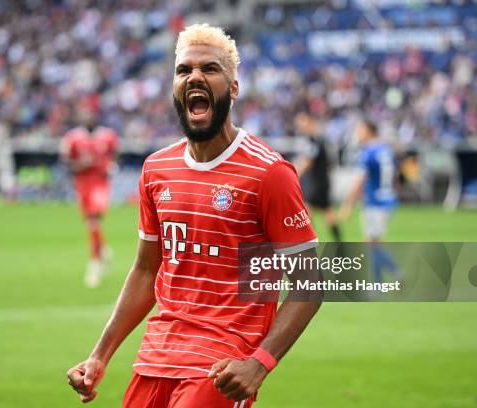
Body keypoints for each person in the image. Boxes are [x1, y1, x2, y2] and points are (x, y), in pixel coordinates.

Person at [67, 24, 321, 407]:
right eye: (184, 70)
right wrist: (100, 355)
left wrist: (259, 363)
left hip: (219, 369)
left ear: (233, 89)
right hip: (154, 360)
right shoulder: (156, 169)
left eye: (210, 69)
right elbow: (145, 270)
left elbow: (310, 281)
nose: (195, 76)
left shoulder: (269, 173)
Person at [60, 108, 118, 288]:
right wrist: (78, 165)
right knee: (92, 224)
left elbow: (114, 156)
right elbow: (65, 161)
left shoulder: (108, 136)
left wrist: (111, 166)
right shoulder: (72, 138)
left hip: (100, 184)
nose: (88, 118)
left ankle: (94, 265)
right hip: (82, 184)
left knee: (93, 220)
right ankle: (103, 251)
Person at [340, 119, 399, 283]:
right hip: (388, 200)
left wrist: (347, 205)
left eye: (360, 129)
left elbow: (360, 180)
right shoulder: (385, 149)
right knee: (374, 244)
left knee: (373, 245)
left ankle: (384, 280)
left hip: (375, 203)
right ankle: (386, 278)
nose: (358, 133)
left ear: (369, 131)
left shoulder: (368, 152)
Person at [294, 111, 342, 241]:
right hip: (322, 181)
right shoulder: (316, 140)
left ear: (309, 122)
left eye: (302, 122)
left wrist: (292, 174)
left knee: (307, 212)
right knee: (328, 212)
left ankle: (309, 242)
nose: (299, 126)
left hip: (316, 184)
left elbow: (307, 162)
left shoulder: (314, 140)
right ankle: (340, 246)